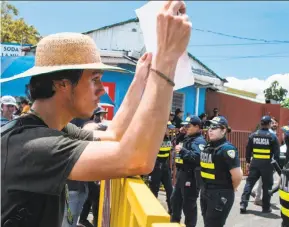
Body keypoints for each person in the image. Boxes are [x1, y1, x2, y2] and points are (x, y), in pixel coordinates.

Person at [1, 2, 192, 226]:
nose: (102, 90)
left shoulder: (50, 128)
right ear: (62, 85)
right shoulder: (32, 145)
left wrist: (140, 79)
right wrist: (166, 62)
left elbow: (114, 137)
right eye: (94, 80)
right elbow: (136, 159)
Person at [200, 116, 243, 227]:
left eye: (214, 127)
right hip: (206, 191)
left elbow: (237, 176)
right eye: (209, 127)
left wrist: (231, 188)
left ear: (224, 130)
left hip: (220, 193)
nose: (210, 130)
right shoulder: (208, 146)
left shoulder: (227, 149)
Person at [170, 116, 206, 227]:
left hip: (191, 176)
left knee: (188, 206)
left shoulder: (199, 141)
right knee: (175, 201)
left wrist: (183, 151)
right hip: (181, 174)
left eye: (188, 126)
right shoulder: (187, 137)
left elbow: (198, 158)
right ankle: (174, 223)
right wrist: (180, 134)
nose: (186, 128)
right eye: (185, 125)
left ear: (197, 127)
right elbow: (174, 143)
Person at [240, 115, 280, 213]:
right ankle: (266, 208)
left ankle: (243, 204)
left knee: (249, 183)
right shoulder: (272, 136)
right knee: (267, 186)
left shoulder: (253, 135)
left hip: (255, 163)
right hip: (267, 165)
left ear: (261, 123)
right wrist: (275, 167)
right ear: (269, 124)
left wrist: (248, 161)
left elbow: (248, 149)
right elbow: (277, 154)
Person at [148, 121, 175, 214]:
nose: (170, 130)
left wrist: (169, 167)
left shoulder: (169, 138)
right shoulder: (155, 139)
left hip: (165, 167)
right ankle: (152, 211)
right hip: (156, 167)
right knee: (154, 190)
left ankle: (171, 211)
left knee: (169, 189)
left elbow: (169, 154)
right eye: (169, 128)